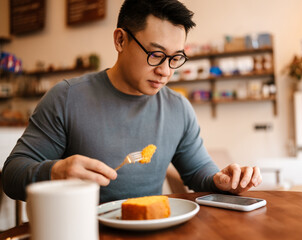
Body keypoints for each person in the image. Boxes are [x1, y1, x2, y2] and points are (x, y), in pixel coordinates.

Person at [2, 0, 262, 204]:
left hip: (152, 228)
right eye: (156, 54)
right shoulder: (67, 97)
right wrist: (54, 172)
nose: (165, 71)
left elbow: (198, 172)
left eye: (175, 58)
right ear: (120, 40)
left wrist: (220, 180)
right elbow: (12, 175)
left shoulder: (178, 108)